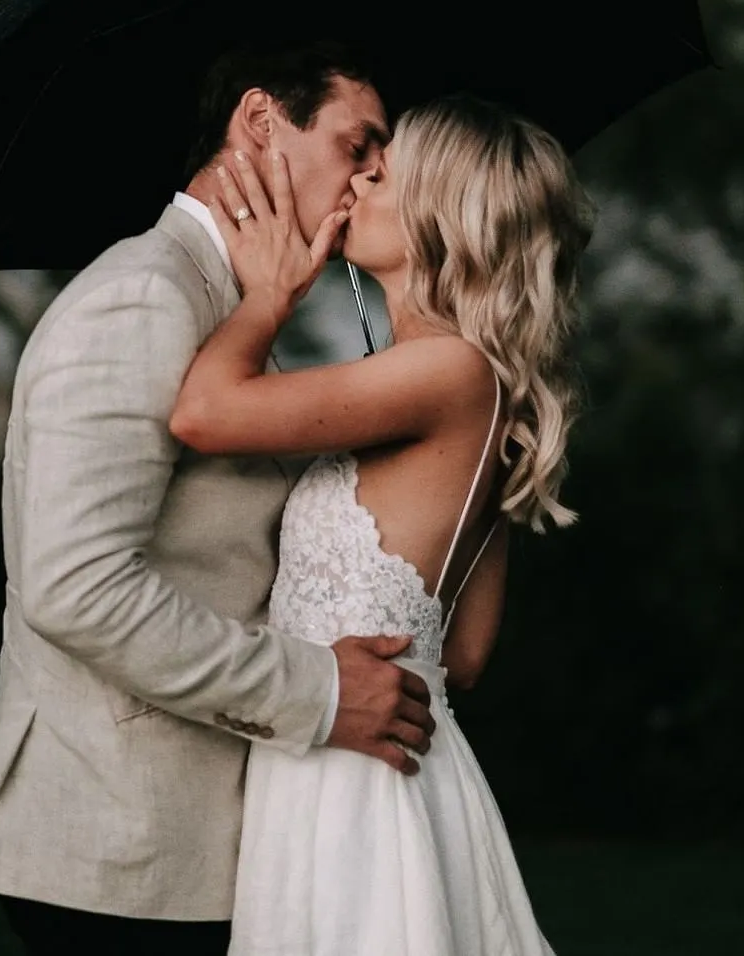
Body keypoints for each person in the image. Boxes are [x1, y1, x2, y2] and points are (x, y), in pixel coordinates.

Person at [0, 44, 437, 956]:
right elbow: (76, 586)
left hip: (193, 842)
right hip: (121, 845)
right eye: (357, 142)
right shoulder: (144, 297)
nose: (377, 170)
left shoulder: (234, 306)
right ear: (260, 124)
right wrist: (321, 692)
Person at [171, 94, 595, 955]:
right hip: (383, 760)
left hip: (350, 783)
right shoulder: (468, 379)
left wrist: (271, 292)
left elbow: (205, 413)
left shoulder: (445, 370)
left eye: (384, 168)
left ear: (444, 216)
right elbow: (465, 656)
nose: (360, 176)